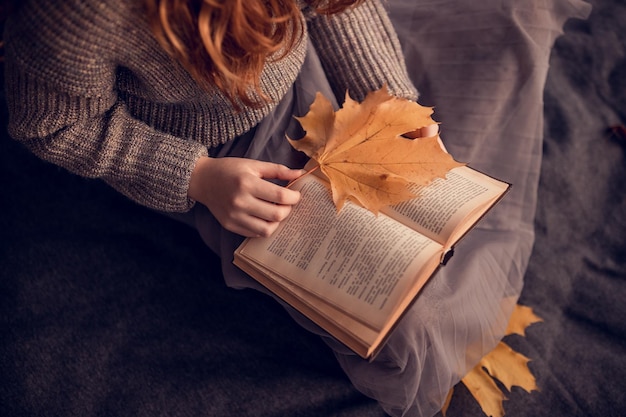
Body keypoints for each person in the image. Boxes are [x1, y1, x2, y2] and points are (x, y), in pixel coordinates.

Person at [3, 0, 591, 416]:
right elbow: (53, 121)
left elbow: (340, 9)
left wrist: (393, 106)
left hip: (308, 88)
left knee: (507, 25)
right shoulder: (78, 14)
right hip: (220, 157)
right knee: (404, 321)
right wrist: (196, 177)